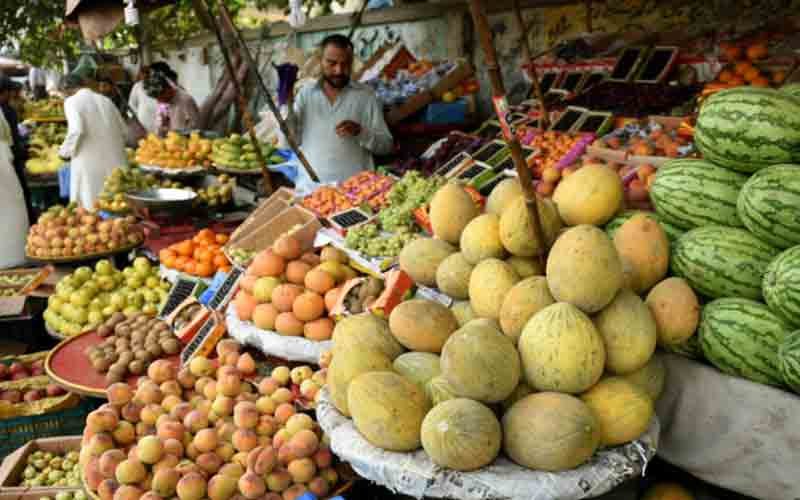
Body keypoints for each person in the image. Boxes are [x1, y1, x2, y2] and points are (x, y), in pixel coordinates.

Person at [280, 34, 393, 186]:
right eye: (331, 63)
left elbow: (386, 146)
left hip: (355, 192)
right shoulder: (306, 94)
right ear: (320, 60)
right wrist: (287, 105)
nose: (339, 70)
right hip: (311, 190)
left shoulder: (366, 96)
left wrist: (360, 132)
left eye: (345, 64)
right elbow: (288, 143)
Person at [58, 72, 128, 211]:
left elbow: (76, 130)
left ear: (66, 89)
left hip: (90, 165)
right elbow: (124, 130)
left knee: (91, 210)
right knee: (117, 207)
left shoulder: (72, 101)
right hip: (116, 163)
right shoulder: (105, 100)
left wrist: (64, 153)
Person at [0, 77, 33, 221]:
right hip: (10, 159)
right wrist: (23, 153)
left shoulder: (6, 109)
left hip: (10, 157)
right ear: (5, 92)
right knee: (20, 192)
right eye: (11, 92)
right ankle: (28, 220)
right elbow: (12, 138)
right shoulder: (7, 110)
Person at [143, 63, 200, 136]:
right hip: (170, 142)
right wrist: (162, 125)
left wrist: (179, 133)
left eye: (161, 98)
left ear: (168, 89)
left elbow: (196, 125)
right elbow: (161, 122)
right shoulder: (162, 103)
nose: (159, 101)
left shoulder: (185, 100)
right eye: (157, 99)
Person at [128, 64, 158, 135]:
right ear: (140, 75)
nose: (145, 76)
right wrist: (137, 115)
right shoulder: (137, 86)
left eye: (147, 73)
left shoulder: (157, 85)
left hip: (157, 120)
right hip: (143, 122)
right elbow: (131, 104)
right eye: (143, 74)